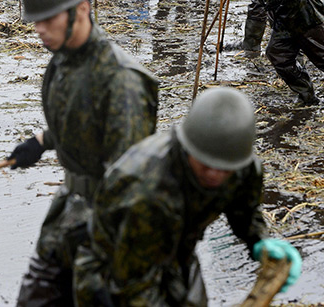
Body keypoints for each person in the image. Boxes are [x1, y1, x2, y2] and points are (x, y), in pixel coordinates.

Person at [8, 0, 158, 305]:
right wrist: (42, 141)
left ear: (83, 10)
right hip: (70, 207)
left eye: (48, 19)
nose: (39, 29)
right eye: (35, 21)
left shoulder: (120, 80)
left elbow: (131, 181)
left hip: (107, 221)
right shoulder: (64, 62)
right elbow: (82, 121)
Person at [74, 87, 302, 305]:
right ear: (187, 148)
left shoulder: (241, 167)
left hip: (178, 250)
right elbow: (135, 286)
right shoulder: (145, 188)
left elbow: (243, 211)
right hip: (114, 264)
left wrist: (259, 242)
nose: (215, 174)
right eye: (206, 164)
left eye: (225, 168)